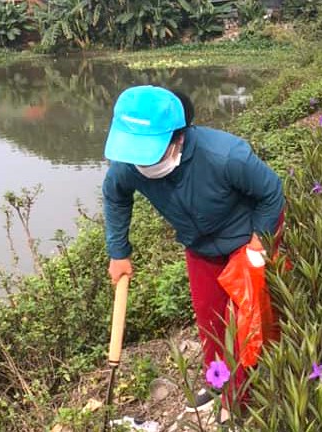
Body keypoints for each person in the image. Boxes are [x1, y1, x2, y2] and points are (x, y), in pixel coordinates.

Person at [102, 85, 285, 412]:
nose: (141, 164)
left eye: (150, 152)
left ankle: (246, 398)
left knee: (250, 319)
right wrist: (119, 252)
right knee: (210, 320)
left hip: (247, 237)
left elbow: (272, 193)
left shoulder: (226, 155)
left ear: (178, 139)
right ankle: (219, 383)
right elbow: (116, 196)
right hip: (200, 245)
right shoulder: (128, 165)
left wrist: (259, 244)